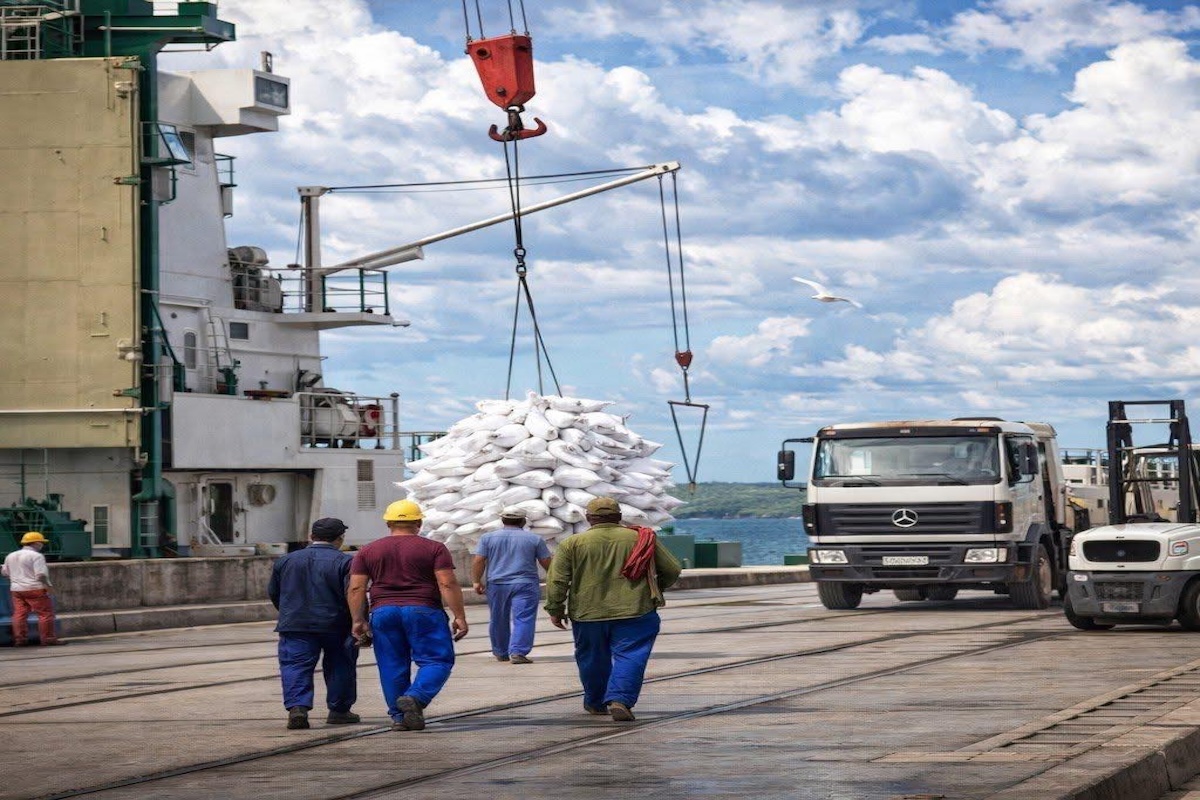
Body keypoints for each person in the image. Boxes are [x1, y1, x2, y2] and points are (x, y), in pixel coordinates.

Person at [544, 496, 681, 722]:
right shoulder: (640, 539)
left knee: (591, 659)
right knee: (631, 655)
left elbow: (557, 580)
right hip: (636, 610)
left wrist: (555, 608)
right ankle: (620, 699)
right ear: (619, 517)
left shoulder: (572, 543)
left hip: (587, 614)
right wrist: (654, 588)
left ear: (589, 519)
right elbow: (673, 569)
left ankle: (596, 702)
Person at [348, 499, 468, 732]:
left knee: (391, 665)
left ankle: (399, 717)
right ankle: (416, 697)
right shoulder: (434, 548)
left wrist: (358, 619)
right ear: (419, 523)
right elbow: (447, 583)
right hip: (424, 610)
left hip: (382, 612)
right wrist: (459, 615)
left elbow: (356, 588)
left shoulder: (368, 550)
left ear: (388, 523)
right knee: (437, 660)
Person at [267, 517, 360, 730]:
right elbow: (353, 593)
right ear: (340, 538)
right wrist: (359, 620)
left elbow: (274, 592)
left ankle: (298, 708)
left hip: (296, 624)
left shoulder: (286, 560)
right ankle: (339, 710)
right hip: (336, 624)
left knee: (295, 665)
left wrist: (289, 613)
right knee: (340, 665)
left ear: (311, 537)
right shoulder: (346, 561)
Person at [472, 506, 552, 664]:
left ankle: (500, 652)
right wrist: (557, 579)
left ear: (502, 520)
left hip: (497, 584)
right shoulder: (534, 539)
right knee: (524, 618)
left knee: (497, 618)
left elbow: (479, 560)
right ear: (523, 521)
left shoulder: (487, 538)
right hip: (525, 584)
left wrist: (476, 581)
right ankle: (518, 652)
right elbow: (547, 562)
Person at [3, 532, 62, 646]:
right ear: (36, 543)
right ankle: (48, 639)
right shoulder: (37, 556)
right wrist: (49, 587)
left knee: (19, 614)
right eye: (41, 543)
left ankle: (20, 640)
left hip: (16, 589)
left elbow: (5, 573)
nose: (42, 545)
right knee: (45, 614)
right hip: (35, 588)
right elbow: (40, 575)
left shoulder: (11, 555)